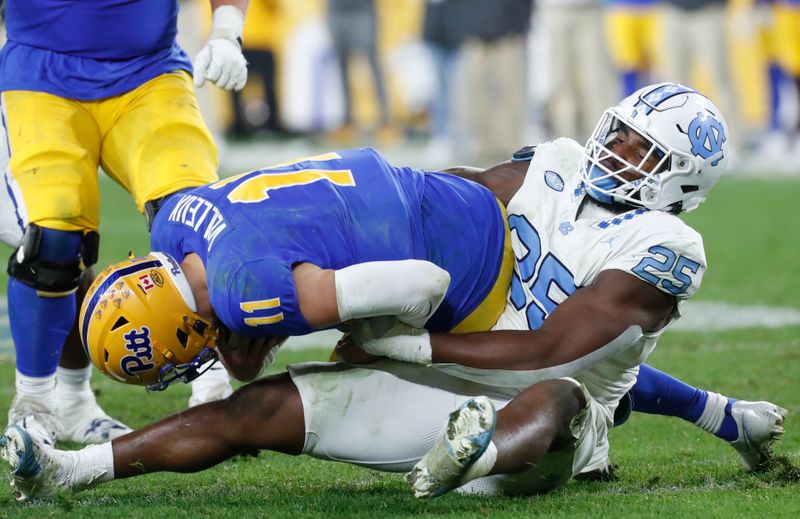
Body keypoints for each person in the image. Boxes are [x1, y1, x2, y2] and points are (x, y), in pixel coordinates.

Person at [1, 84, 786, 501]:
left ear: (683, 178)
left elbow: (558, 346)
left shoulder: (667, 247)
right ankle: (77, 468)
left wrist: (413, 342)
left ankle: (467, 460)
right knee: (258, 407)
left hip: (539, 409)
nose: (614, 150)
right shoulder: (553, 163)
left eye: (640, 150)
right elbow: (450, 198)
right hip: (447, 370)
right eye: (618, 131)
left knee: (560, 394)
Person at [0, 0, 250, 445]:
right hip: (39, 80)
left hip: (148, 74)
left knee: (194, 215)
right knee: (53, 240)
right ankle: (40, 403)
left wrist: (227, 30)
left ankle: (210, 383)